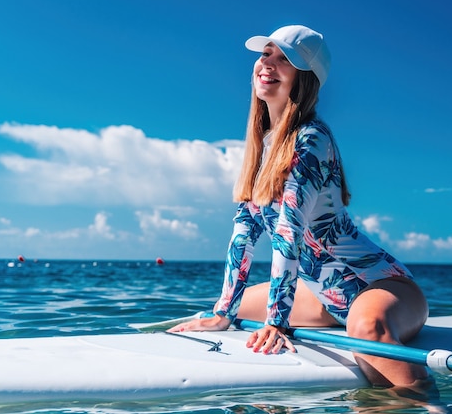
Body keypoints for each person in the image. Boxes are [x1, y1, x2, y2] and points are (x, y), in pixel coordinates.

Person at [169, 25, 429, 387]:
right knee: (223, 309)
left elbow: (287, 232)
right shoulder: (263, 146)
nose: (268, 64)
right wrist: (222, 313)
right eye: (266, 54)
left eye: (284, 59)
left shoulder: (312, 139)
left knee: (366, 327)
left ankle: (428, 404)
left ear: (304, 80)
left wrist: (277, 322)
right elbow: (244, 231)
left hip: (380, 286)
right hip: (324, 297)